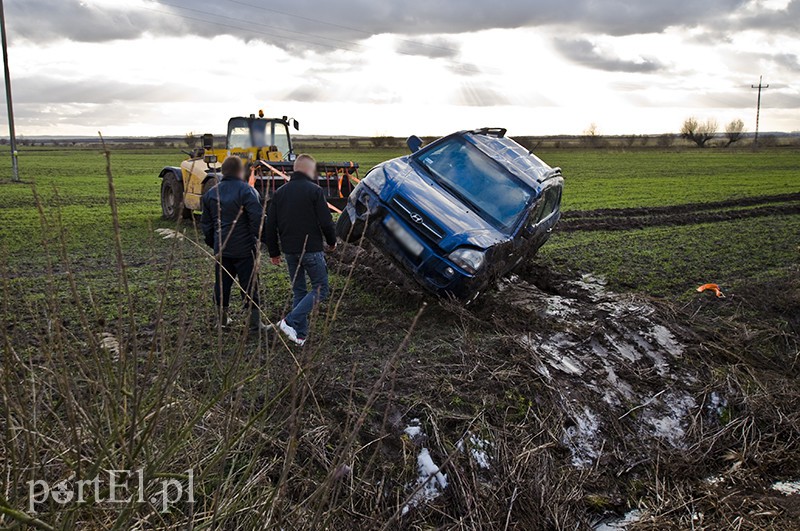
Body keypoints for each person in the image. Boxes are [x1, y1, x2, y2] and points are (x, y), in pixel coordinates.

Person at [265, 154, 336, 346]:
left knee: (299, 290)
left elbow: (269, 225)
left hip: (290, 252)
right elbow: (326, 222)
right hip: (311, 249)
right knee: (321, 289)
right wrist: (332, 242)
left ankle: (299, 335)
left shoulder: (279, 193)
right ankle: (289, 322)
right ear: (308, 170)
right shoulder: (314, 191)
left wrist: (273, 252)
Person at [200, 156, 268, 332]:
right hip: (245, 249)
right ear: (241, 171)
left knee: (221, 286)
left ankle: (221, 322)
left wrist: (214, 243)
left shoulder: (210, 194)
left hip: (222, 249)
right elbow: (257, 221)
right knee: (250, 285)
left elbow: (206, 226)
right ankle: (254, 324)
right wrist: (259, 240)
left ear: (223, 171)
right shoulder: (248, 192)